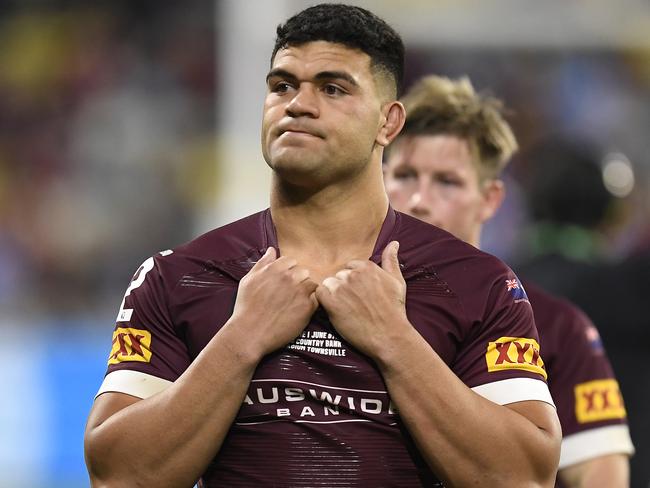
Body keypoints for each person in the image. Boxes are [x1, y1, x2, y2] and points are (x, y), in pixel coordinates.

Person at [84, 5, 560, 487]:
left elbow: (524, 477)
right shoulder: (178, 276)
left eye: (332, 89)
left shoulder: (478, 283)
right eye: (282, 86)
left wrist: (395, 339)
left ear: (388, 123)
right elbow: (117, 475)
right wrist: (242, 336)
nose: (298, 104)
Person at [383, 75, 634, 488]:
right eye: (405, 175)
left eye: (447, 181)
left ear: (491, 199)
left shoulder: (556, 326)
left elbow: (601, 475)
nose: (419, 200)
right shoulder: (335, 304)